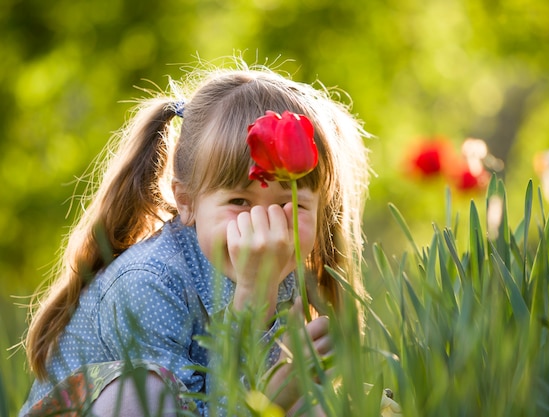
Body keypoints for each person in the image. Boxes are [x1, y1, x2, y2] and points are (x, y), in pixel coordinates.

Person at [20, 58, 370, 416]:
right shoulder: (150, 283)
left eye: (290, 204)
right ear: (187, 203)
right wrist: (256, 311)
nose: (265, 227)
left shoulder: (284, 267)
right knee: (144, 393)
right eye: (239, 201)